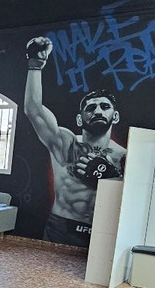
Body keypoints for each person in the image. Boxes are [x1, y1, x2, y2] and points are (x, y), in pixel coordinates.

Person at [23, 36, 125, 247]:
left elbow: (139, 199)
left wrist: (114, 177)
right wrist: (35, 65)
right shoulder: (66, 144)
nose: (98, 111)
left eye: (105, 107)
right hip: (61, 227)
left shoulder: (123, 157)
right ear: (80, 119)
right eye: (91, 108)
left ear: (115, 116)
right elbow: (34, 110)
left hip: (102, 230)